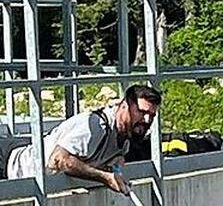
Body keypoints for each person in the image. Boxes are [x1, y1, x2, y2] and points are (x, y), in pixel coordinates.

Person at [4, 84, 161, 195]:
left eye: (152, 116)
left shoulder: (126, 136)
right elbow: (59, 160)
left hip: (28, 159)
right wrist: (106, 178)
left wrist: (117, 168)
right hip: (11, 163)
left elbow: (117, 157)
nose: (147, 120)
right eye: (142, 112)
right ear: (124, 106)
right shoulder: (95, 126)